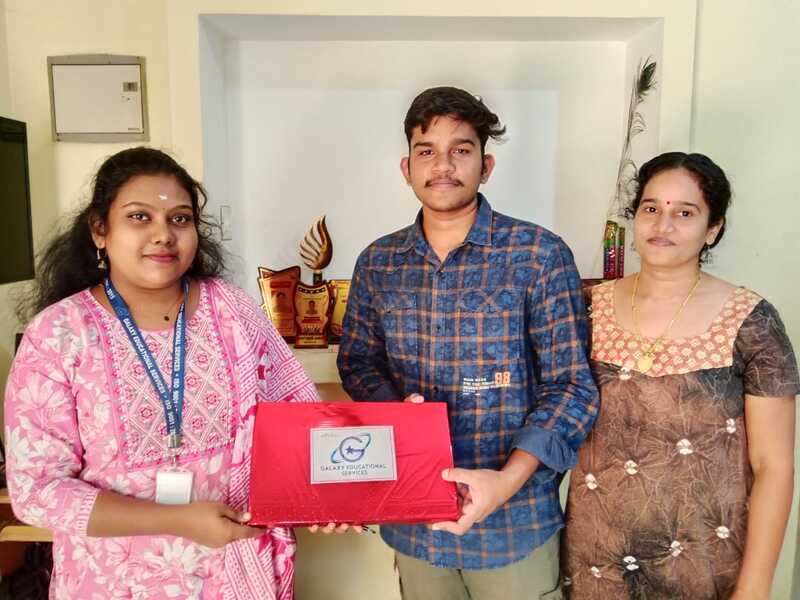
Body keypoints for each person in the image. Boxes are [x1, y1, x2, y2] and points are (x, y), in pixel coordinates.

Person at [3, 147, 319, 599]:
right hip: (109, 583)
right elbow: (37, 490)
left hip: (232, 576)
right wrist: (176, 520)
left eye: (179, 219)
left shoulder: (232, 310)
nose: (163, 235)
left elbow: (299, 422)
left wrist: (331, 494)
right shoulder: (58, 334)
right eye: (139, 217)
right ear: (99, 230)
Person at [337, 86, 599, 599]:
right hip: (415, 520)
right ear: (406, 167)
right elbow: (359, 361)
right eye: (426, 151)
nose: (443, 165)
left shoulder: (538, 254)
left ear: (486, 165)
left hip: (514, 525)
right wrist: (397, 413)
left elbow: (571, 386)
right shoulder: (378, 262)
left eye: (460, 149)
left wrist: (507, 480)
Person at [561, 152, 798, 599]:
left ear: (713, 229)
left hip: (706, 568)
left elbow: (774, 466)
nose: (662, 225)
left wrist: (755, 586)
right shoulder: (586, 307)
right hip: (596, 562)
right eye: (651, 208)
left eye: (685, 213)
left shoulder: (751, 321)